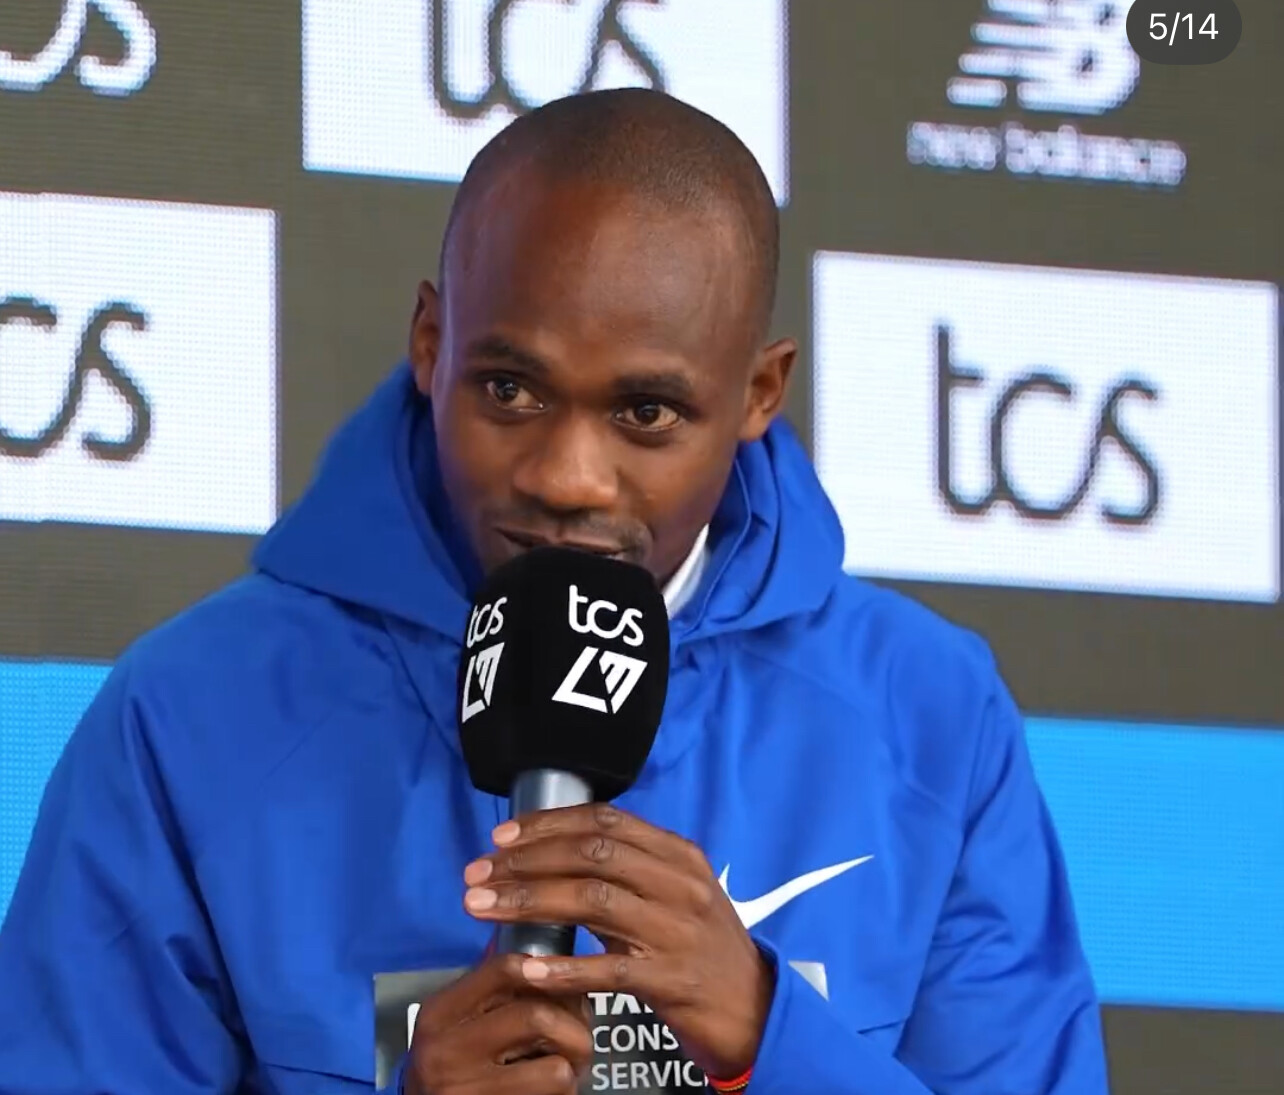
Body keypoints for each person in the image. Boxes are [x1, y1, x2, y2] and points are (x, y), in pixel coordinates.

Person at [0, 88, 1109, 1094]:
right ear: (430, 343)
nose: (568, 477)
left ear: (758, 392)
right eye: (511, 389)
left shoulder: (933, 714)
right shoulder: (187, 714)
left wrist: (770, 1041)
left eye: (646, 413)